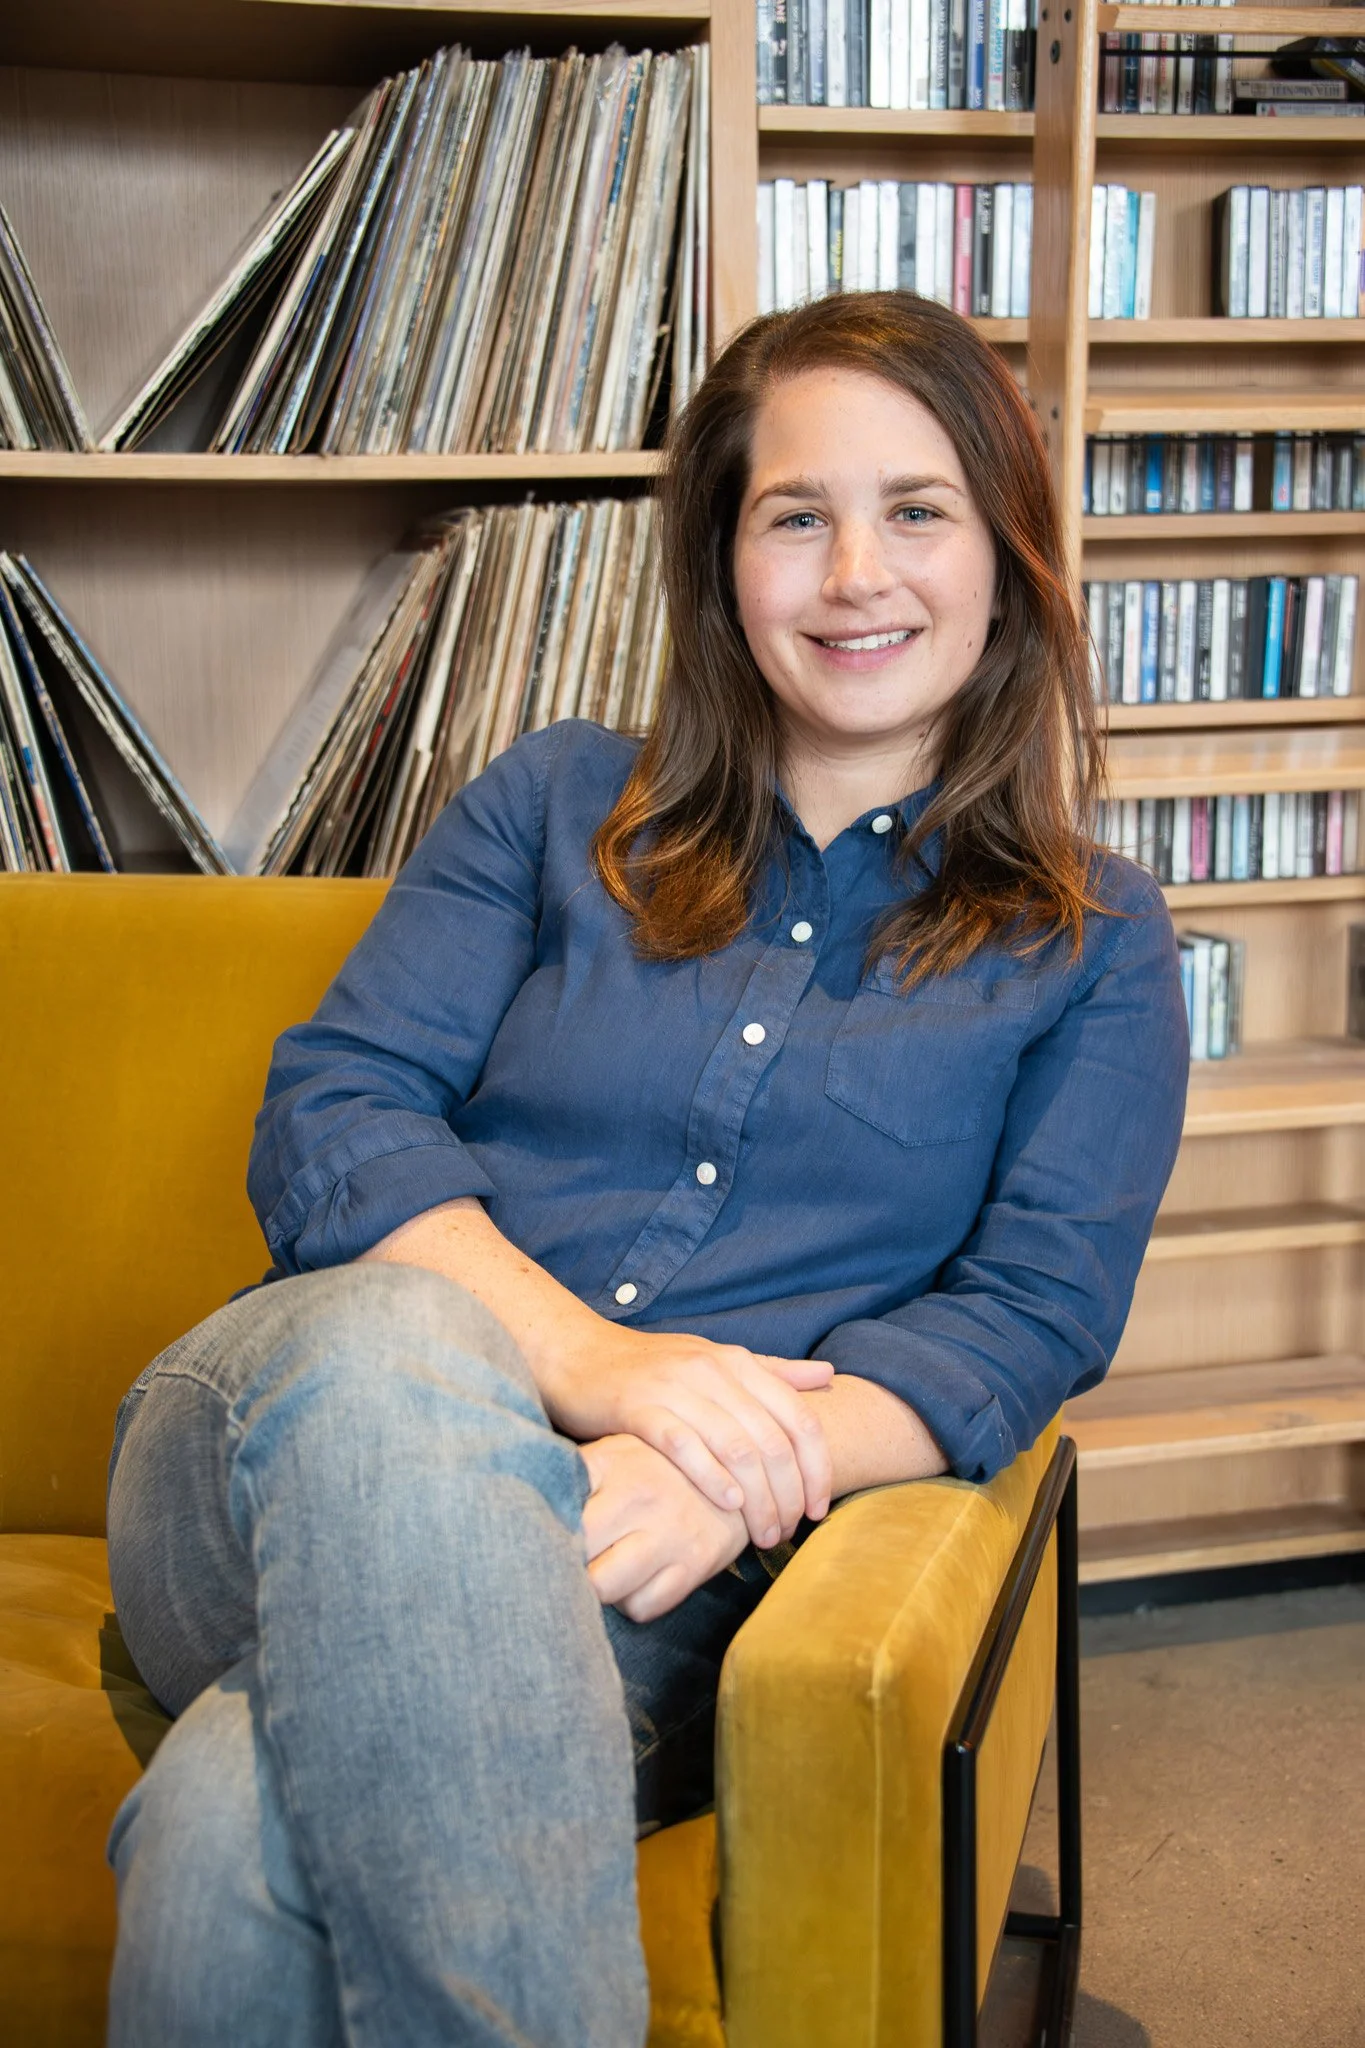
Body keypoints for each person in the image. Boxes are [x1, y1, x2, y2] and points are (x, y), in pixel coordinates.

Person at [103, 290, 1189, 2048]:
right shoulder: (546, 805)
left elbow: (1028, 1316)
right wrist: (608, 1377)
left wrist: (747, 1478)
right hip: (267, 1455)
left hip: (651, 1586)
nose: (858, 573)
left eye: (917, 510)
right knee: (402, 1344)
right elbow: (334, 1111)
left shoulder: (1098, 944)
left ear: (1005, 556)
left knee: (237, 1827)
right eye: (794, 515)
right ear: (721, 560)